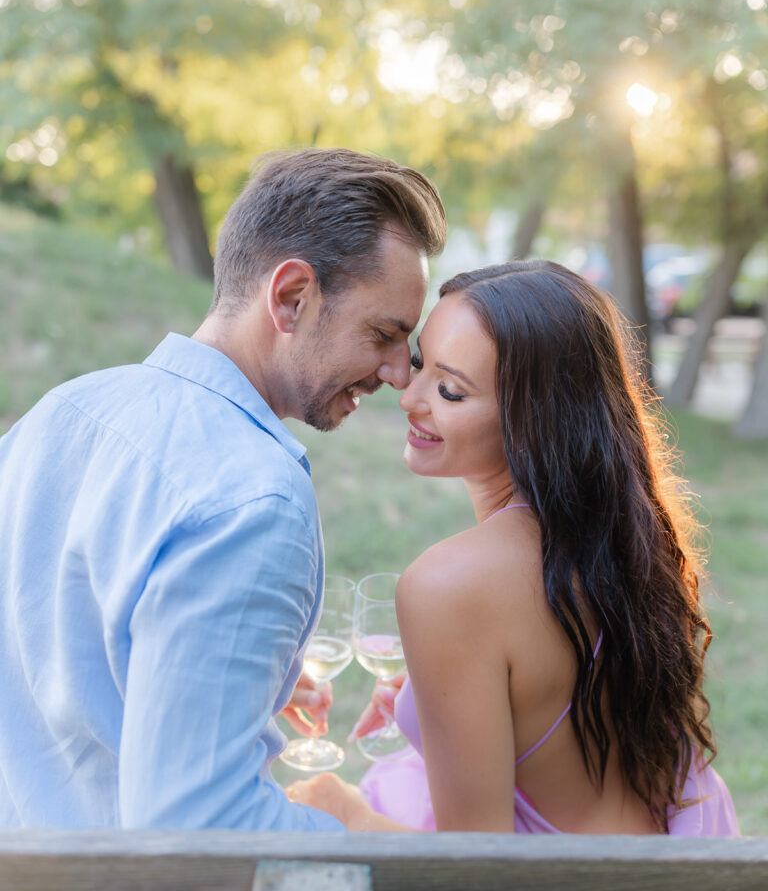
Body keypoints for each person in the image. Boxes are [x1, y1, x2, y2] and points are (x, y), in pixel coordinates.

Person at [0, 147, 446, 830]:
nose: (395, 372)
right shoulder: (253, 502)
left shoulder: (61, 411)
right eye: (384, 334)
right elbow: (201, 827)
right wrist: (370, 841)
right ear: (292, 296)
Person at [287, 259, 740, 836]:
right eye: (421, 364)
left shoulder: (448, 585)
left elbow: (479, 872)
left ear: (534, 423)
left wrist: (342, 809)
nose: (409, 397)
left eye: (450, 390)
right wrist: (443, 697)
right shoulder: (621, 536)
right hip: (672, 858)